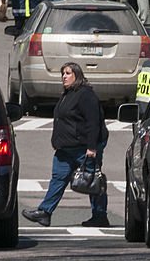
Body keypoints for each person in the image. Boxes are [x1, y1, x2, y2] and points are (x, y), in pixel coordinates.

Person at [23, 62, 110, 228]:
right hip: (65, 149)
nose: (64, 76)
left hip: (83, 148)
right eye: (63, 73)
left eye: (68, 73)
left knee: (92, 180)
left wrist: (92, 147)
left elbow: (94, 123)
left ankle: (100, 215)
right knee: (58, 179)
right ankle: (45, 212)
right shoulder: (67, 94)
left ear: (77, 75)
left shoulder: (86, 94)